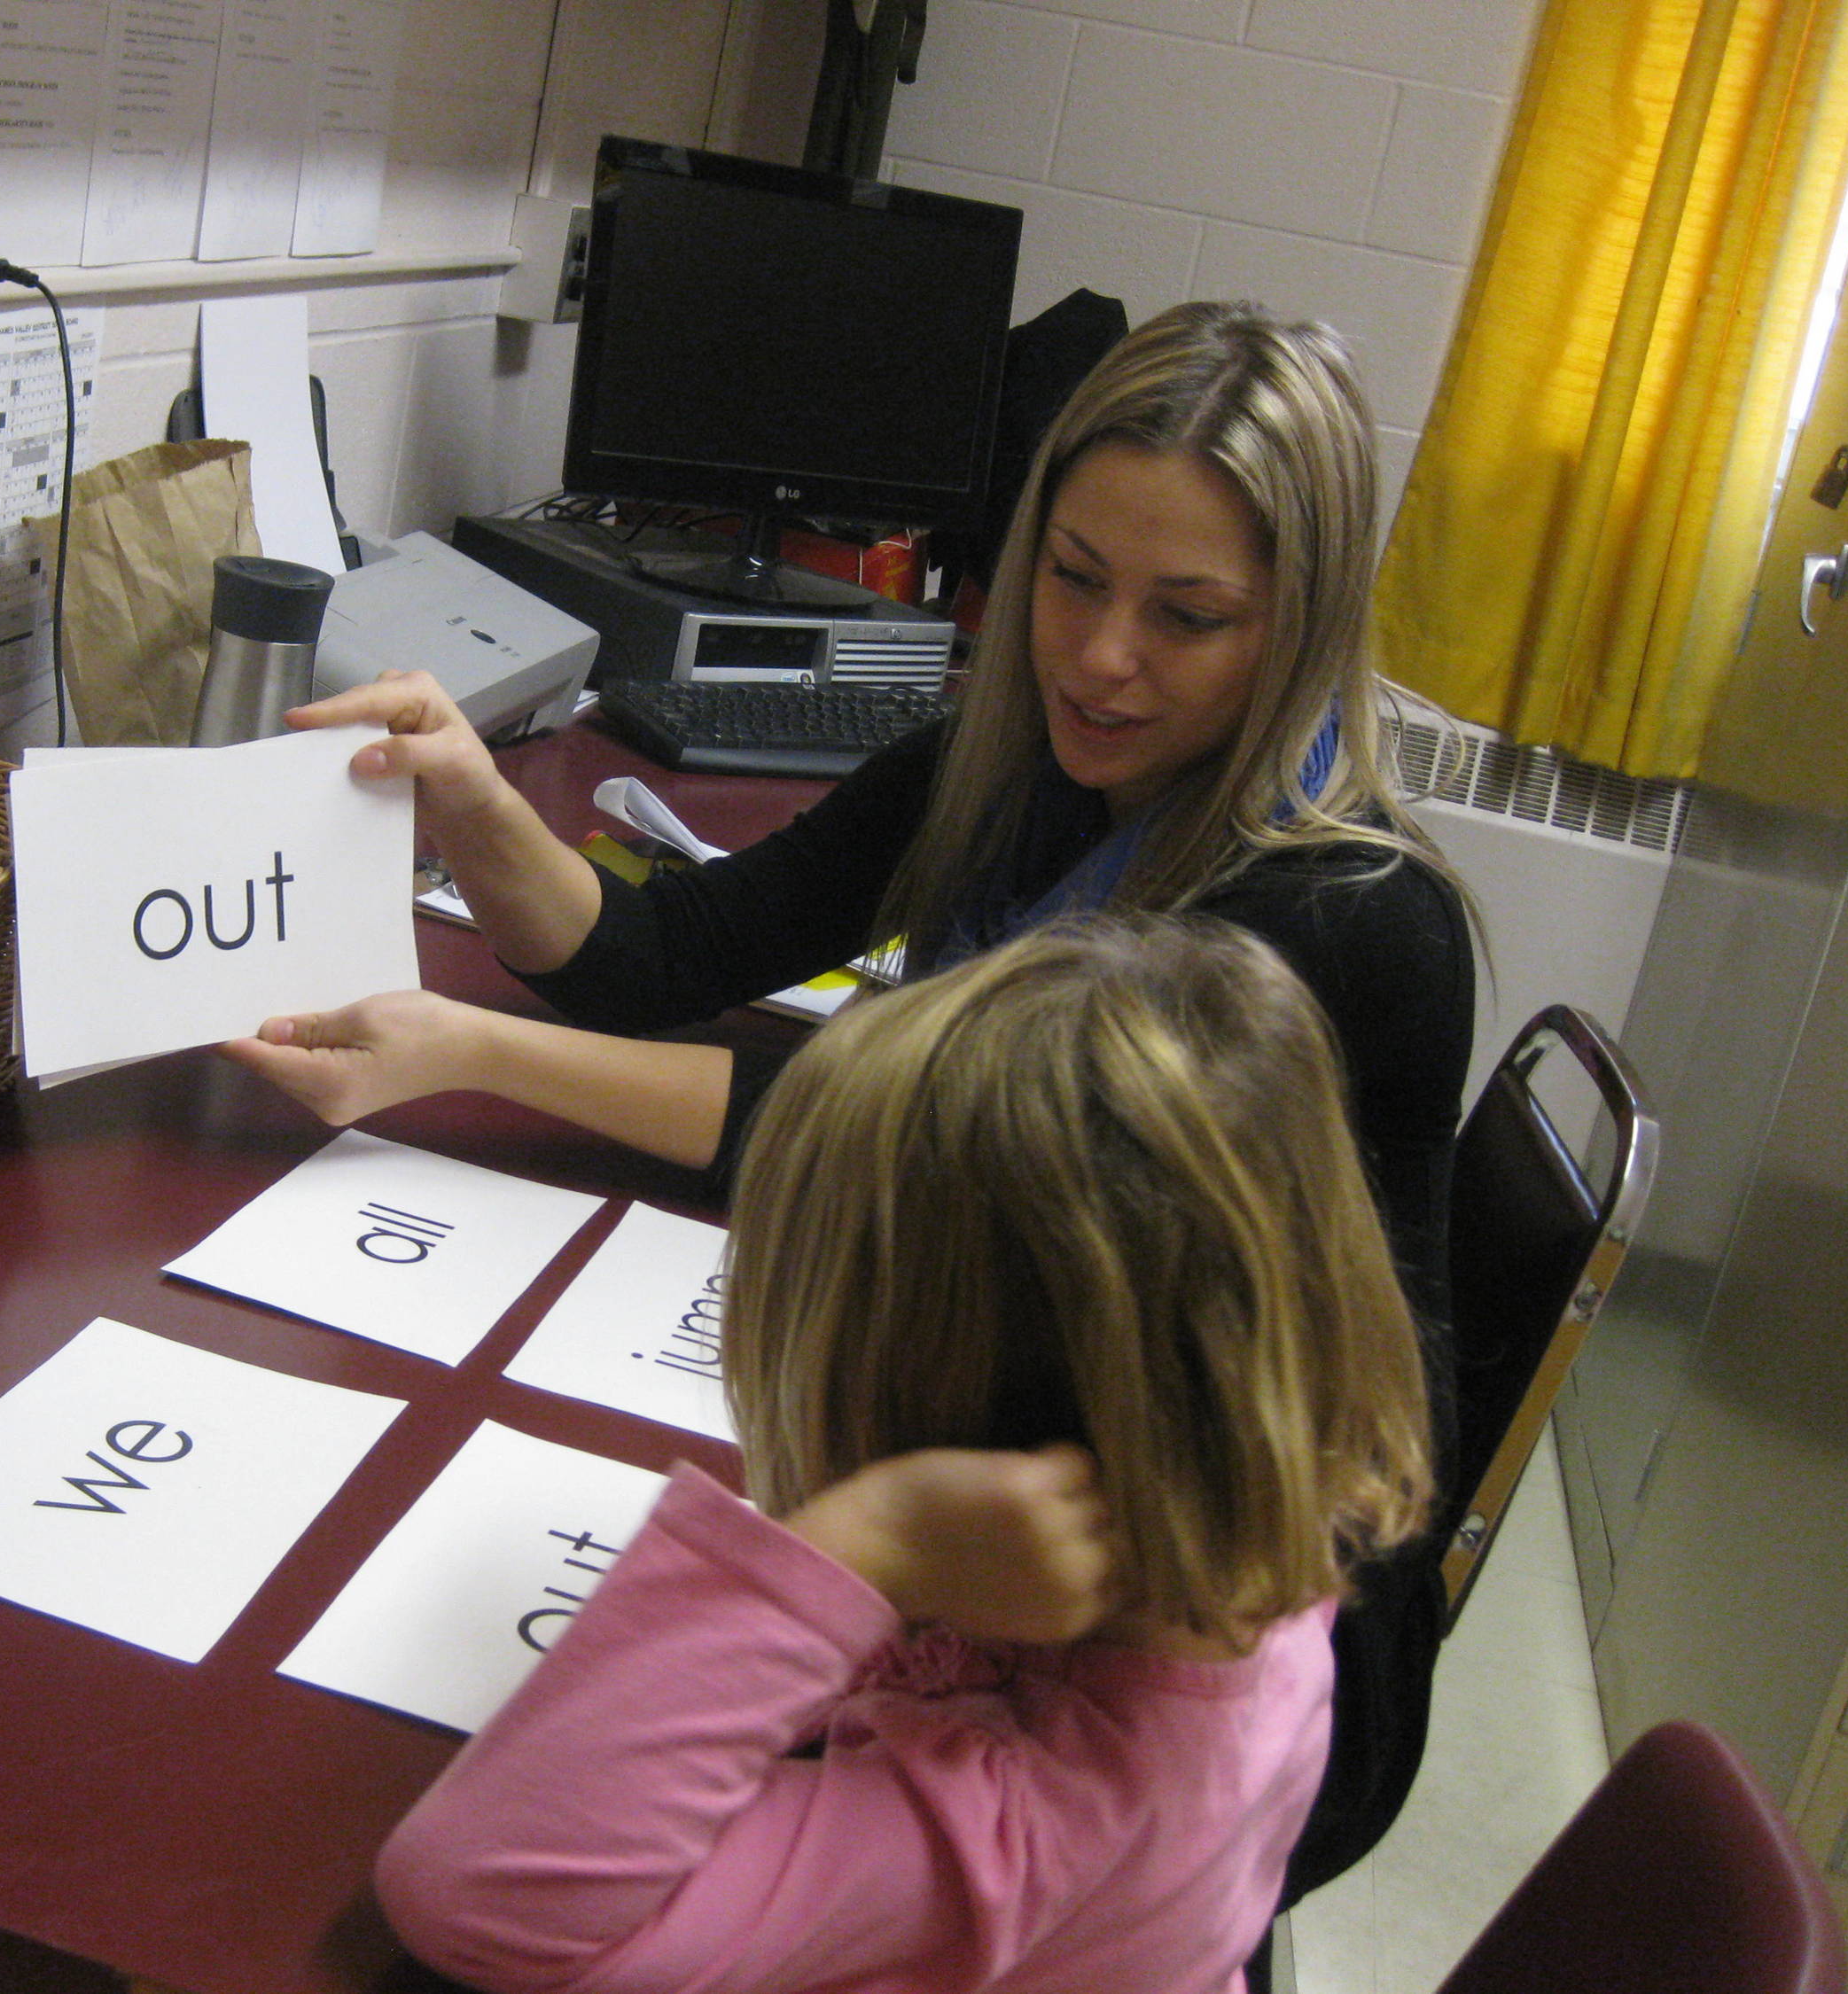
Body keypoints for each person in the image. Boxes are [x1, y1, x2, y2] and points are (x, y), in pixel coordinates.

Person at [225, 300, 1475, 1889]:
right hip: (994, 1442)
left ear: (1293, 627)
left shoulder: (1337, 926)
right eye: (1075, 579)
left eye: (1187, 617)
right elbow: (675, 949)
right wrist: (471, 797)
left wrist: (473, 1049)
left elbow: (865, 1152)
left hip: (1213, 1619)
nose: (1101, 657)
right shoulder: (1015, 771)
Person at [373, 918, 1439, 1994]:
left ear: (950, 1436)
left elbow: (485, 1900)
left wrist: (859, 1546)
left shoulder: (1028, 1825)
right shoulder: (1244, 1538)